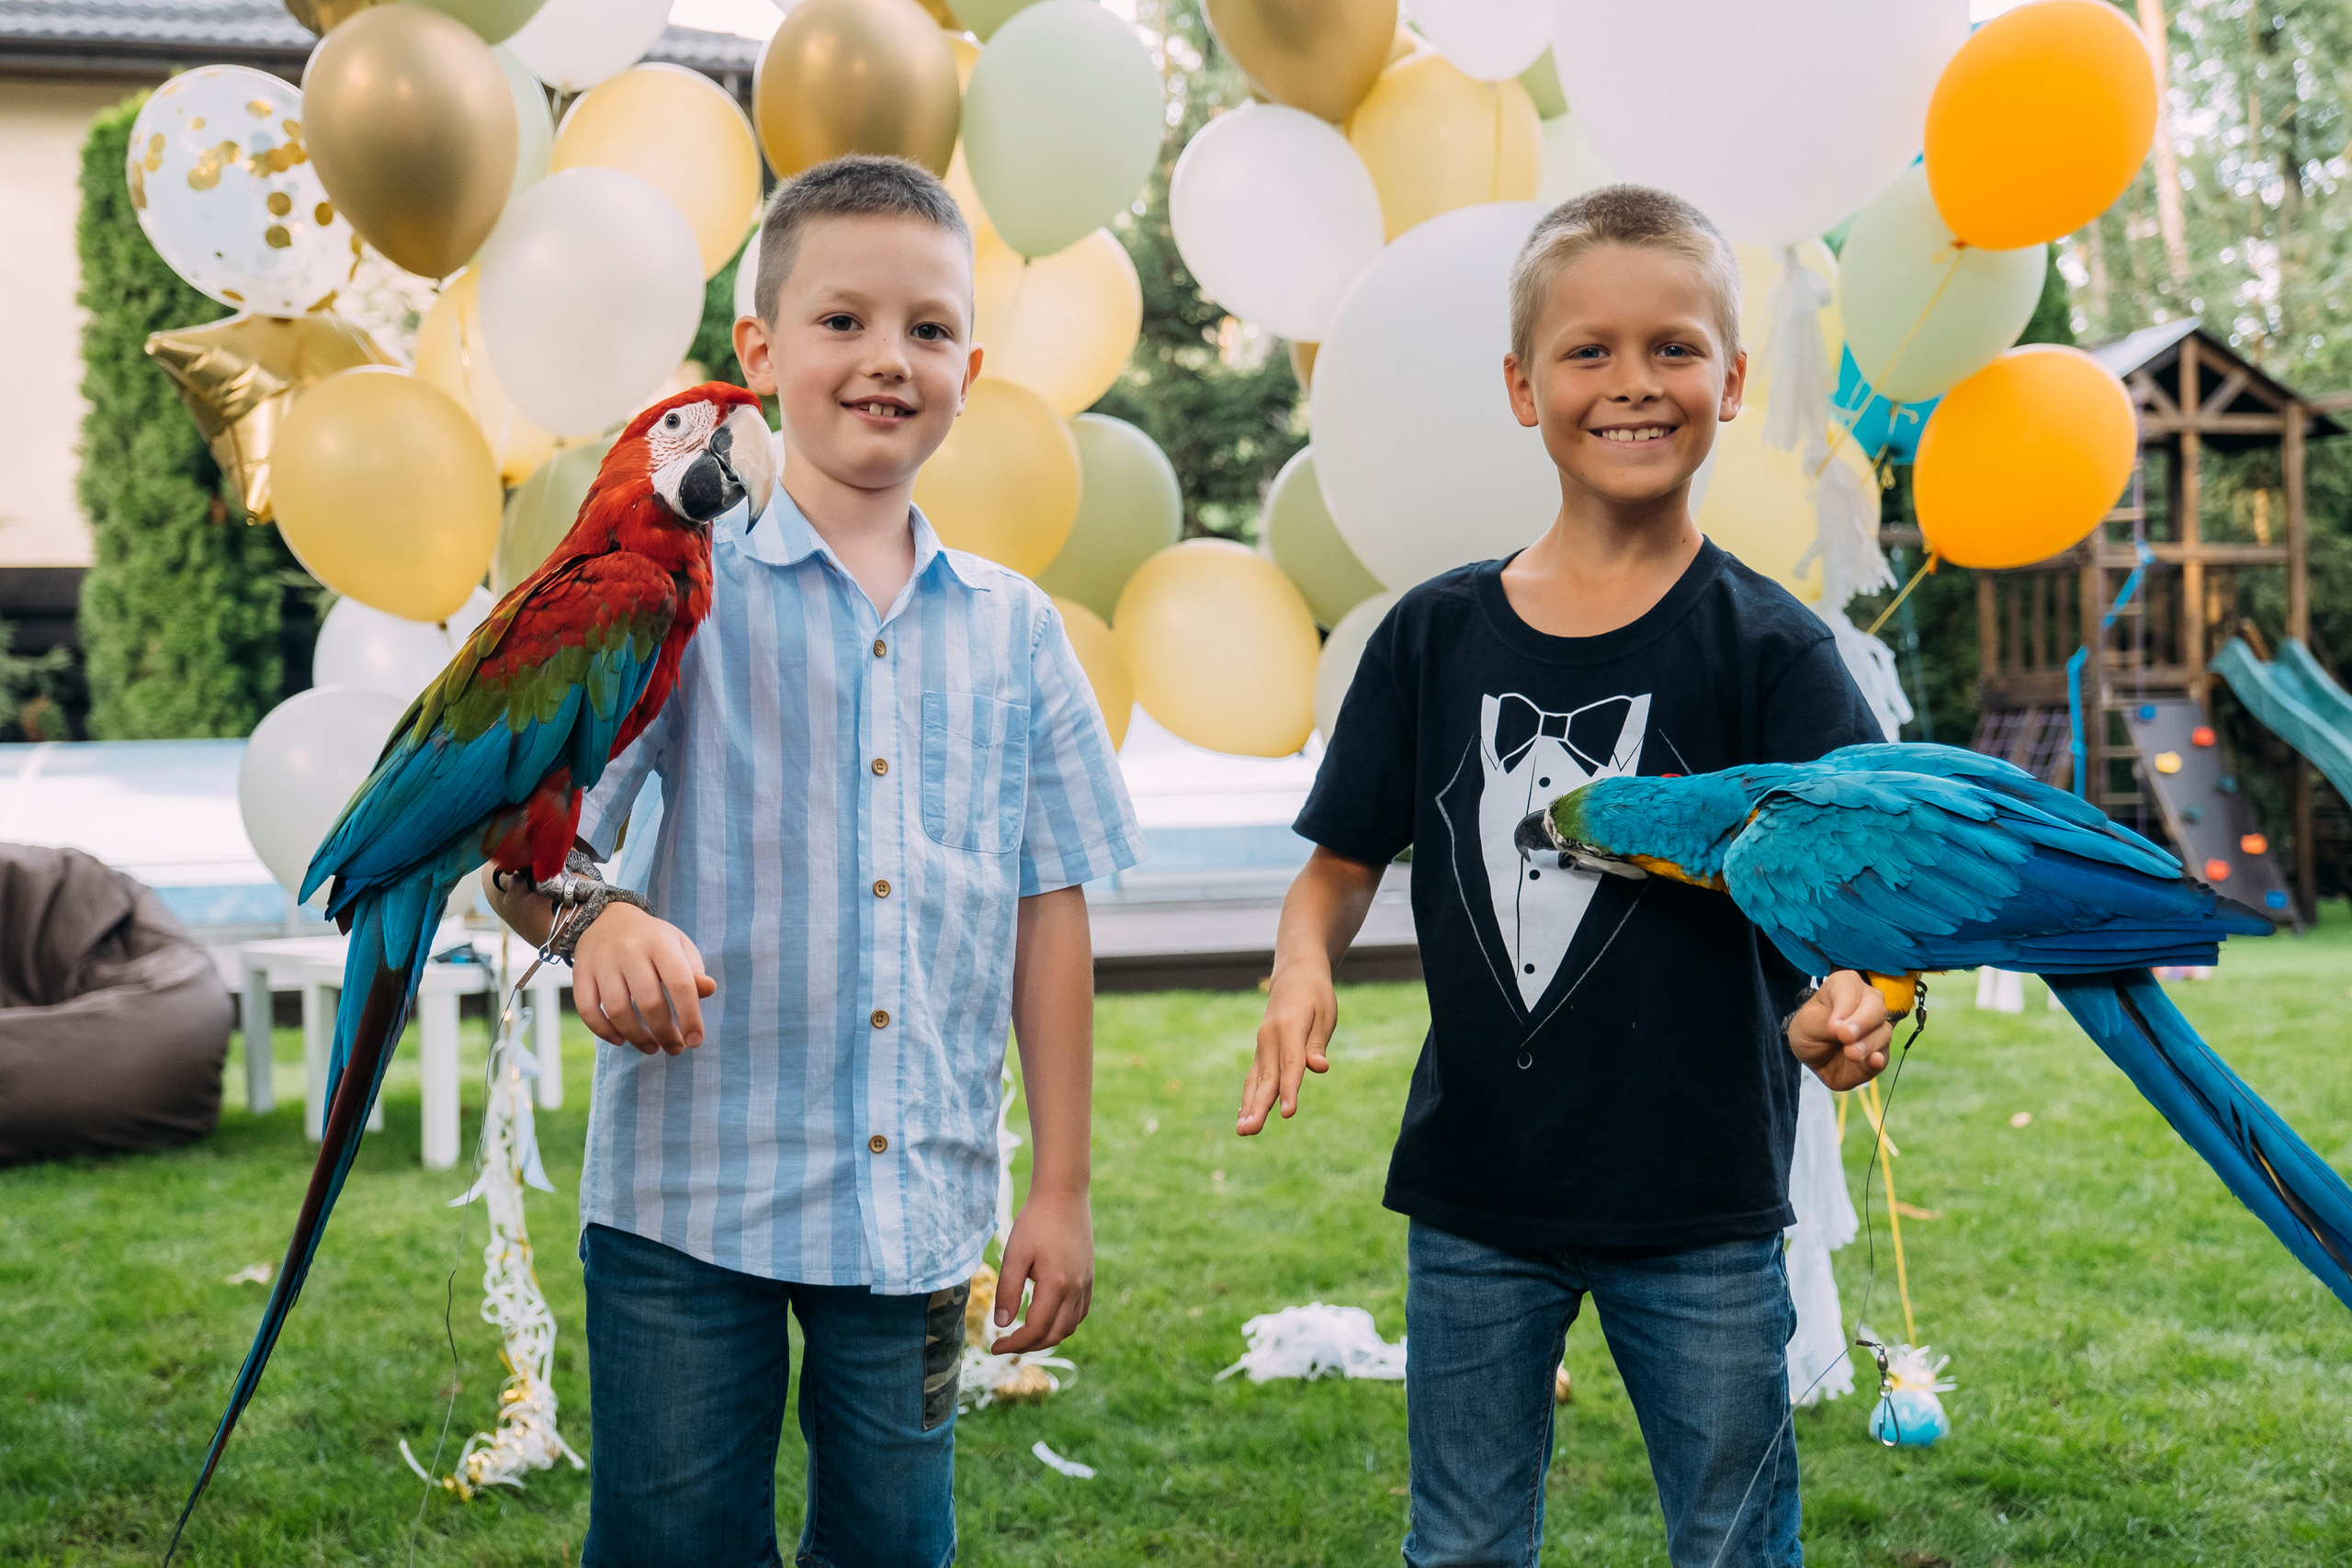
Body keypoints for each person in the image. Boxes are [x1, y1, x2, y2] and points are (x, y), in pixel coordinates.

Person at [486, 153, 1143, 1568]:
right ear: (760, 351)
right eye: (842, 321)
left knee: (896, 1549)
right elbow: (520, 851)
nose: (884, 360)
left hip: (917, 1210)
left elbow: (1050, 915)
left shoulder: (1021, 634)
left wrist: (1062, 1190)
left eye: (925, 329)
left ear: (970, 359)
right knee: (671, 1547)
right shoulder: (670, 599)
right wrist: (595, 922)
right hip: (686, 1211)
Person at [1238, 186, 1897, 1568]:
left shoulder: (1774, 653)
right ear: (1522, 387)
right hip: (1477, 1199)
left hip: (1708, 1206)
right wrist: (1303, 966)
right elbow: (1339, 861)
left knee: (1734, 1543)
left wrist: (1853, 1002)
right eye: (1589, 351)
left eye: (1673, 346)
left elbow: (1861, 902)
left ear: (1732, 376)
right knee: (1464, 1546)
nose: (1634, 382)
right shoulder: (1429, 638)